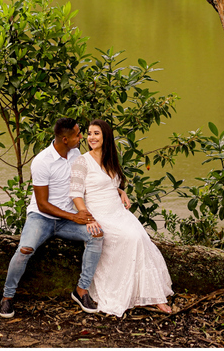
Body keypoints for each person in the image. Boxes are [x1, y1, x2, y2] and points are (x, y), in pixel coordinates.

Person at [0, 118, 104, 319]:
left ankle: (81, 291)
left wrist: (117, 190)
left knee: (96, 234)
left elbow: (93, 177)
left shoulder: (75, 155)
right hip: (41, 217)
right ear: (65, 139)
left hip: (66, 220)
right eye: (77, 135)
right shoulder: (42, 161)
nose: (82, 137)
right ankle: (7, 297)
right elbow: (42, 204)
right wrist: (75, 216)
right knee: (24, 249)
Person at [69, 118, 174, 317]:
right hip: (99, 214)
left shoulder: (111, 159)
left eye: (96, 133)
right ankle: (125, 293)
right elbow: (76, 193)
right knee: (130, 238)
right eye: (89, 133)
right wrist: (88, 219)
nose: (91, 137)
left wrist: (120, 191)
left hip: (118, 211)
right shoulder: (81, 162)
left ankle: (154, 296)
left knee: (141, 238)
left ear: (106, 136)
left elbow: (106, 183)